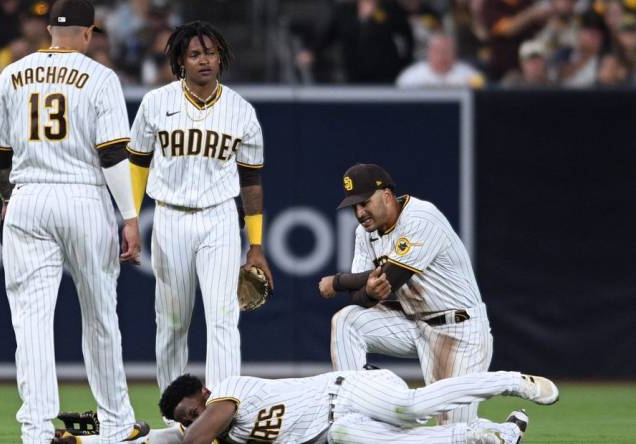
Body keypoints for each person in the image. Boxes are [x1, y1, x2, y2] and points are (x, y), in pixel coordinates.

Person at [0, 0, 148, 442]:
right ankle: (115, 423)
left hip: (28, 196)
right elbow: (113, 154)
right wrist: (129, 215)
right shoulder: (101, 77)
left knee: (31, 322)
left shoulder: (12, 74)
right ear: (89, 33)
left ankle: (36, 429)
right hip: (83, 196)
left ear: (48, 30)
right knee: (99, 315)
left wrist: (6, 198)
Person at [126, 20, 274, 394]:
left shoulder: (241, 111)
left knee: (223, 318)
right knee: (173, 322)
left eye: (210, 53)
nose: (204, 60)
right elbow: (138, 165)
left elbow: (252, 181)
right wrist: (130, 218)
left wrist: (255, 245)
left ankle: (225, 410)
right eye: (195, 54)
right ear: (180, 62)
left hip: (220, 218)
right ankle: (176, 412)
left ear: (221, 58)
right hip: (170, 217)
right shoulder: (155, 103)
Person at [318, 164, 492, 425]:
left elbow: (392, 275)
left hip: (460, 332)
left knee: (454, 432)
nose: (359, 212)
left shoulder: (422, 218)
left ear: (386, 195)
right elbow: (359, 298)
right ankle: (353, 410)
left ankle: (505, 432)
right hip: (414, 326)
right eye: (354, 206)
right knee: (346, 321)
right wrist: (366, 292)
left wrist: (337, 281)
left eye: (364, 202)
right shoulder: (364, 234)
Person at [158, 370, 558, 444]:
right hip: (334, 431)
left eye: (190, 410)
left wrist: (178, 434)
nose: (191, 418)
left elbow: (193, 440)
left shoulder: (226, 391)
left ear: (203, 393)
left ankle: (510, 381)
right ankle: (489, 435)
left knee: (409, 407)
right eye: (184, 420)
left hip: (346, 390)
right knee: (389, 443)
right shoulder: (227, 439)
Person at [396, 33, 484, 88]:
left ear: (454, 53)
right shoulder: (410, 77)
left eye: (446, 51)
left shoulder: (470, 76)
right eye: (438, 51)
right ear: (429, 52)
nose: (442, 56)